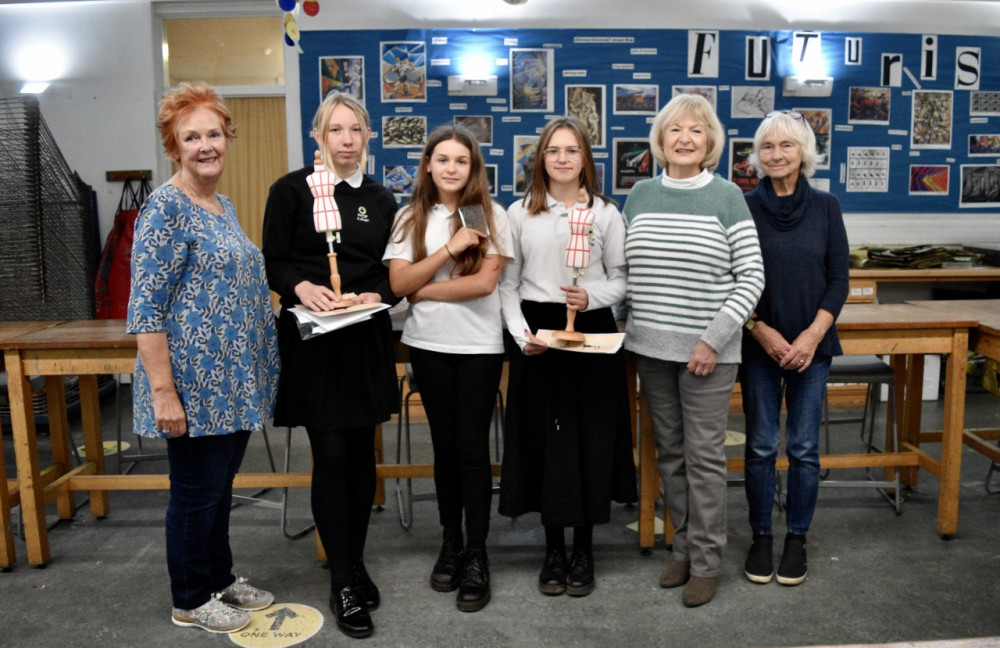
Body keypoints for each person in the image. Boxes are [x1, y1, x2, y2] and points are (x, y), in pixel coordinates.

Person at [127, 82, 279, 634]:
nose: (205, 145)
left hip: (231, 383)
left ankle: (218, 579)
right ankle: (190, 597)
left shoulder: (221, 204)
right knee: (194, 495)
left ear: (228, 138)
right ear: (174, 146)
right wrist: (165, 392)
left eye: (213, 133)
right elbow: (145, 309)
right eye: (192, 137)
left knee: (217, 491)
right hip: (192, 386)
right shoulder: (164, 208)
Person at [261, 91, 399, 639]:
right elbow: (274, 260)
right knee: (333, 451)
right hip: (314, 339)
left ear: (367, 137)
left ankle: (355, 559)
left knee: (362, 454)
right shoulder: (291, 191)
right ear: (318, 136)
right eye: (335, 129)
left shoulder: (382, 199)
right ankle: (340, 578)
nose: (346, 139)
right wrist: (300, 285)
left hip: (362, 336)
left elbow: (393, 270)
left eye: (355, 130)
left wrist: (377, 296)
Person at [623, 93, 764, 608]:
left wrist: (713, 338)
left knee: (704, 458)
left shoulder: (727, 196)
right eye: (675, 130)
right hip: (651, 350)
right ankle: (681, 547)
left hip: (709, 352)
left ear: (710, 143)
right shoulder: (638, 194)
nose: (685, 138)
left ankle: (707, 561)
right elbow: (629, 275)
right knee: (671, 456)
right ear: (660, 141)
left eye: (696, 131)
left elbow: (752, 276)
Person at [498, 117, 637, 597]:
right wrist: (522, 337)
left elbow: (620, 279)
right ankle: (552, 548)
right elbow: (508, 286)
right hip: (538, 334)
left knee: (589, 437)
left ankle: (585, 547)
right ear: (540, 158)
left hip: (589, 331)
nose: (562, 159)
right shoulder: (519, 213)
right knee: (548, 440)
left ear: (585, 160)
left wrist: (591, 298)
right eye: (553, 150)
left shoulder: (606, 214)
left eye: (571, 151)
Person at [383, 125, 511, 613]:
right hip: (429, 346)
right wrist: (449, 251)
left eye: (461, 160)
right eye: (443, 159)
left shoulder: (491, 216)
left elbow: (483, 285)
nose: (452, 168)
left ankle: (478, 553)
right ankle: (451, 542)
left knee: (472, 449)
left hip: (478, 347)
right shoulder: (409, 217)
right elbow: (397, 281)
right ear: (428, 165)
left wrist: (424, 288)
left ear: (472, 167)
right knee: (443, 448)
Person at [739, 110, 849, 587]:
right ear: (757, 156)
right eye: (767, 147)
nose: (776, 154)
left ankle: (796, 538)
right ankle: (761, 536)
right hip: (758, 343)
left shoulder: (827, 207)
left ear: (804, 151)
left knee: (804, 449)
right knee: (762, 445)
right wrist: (759, 328)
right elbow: (728, 277)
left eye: (786, 145)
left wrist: (811, 336)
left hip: (812, 347)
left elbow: (838, 279)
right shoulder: (740, 205)